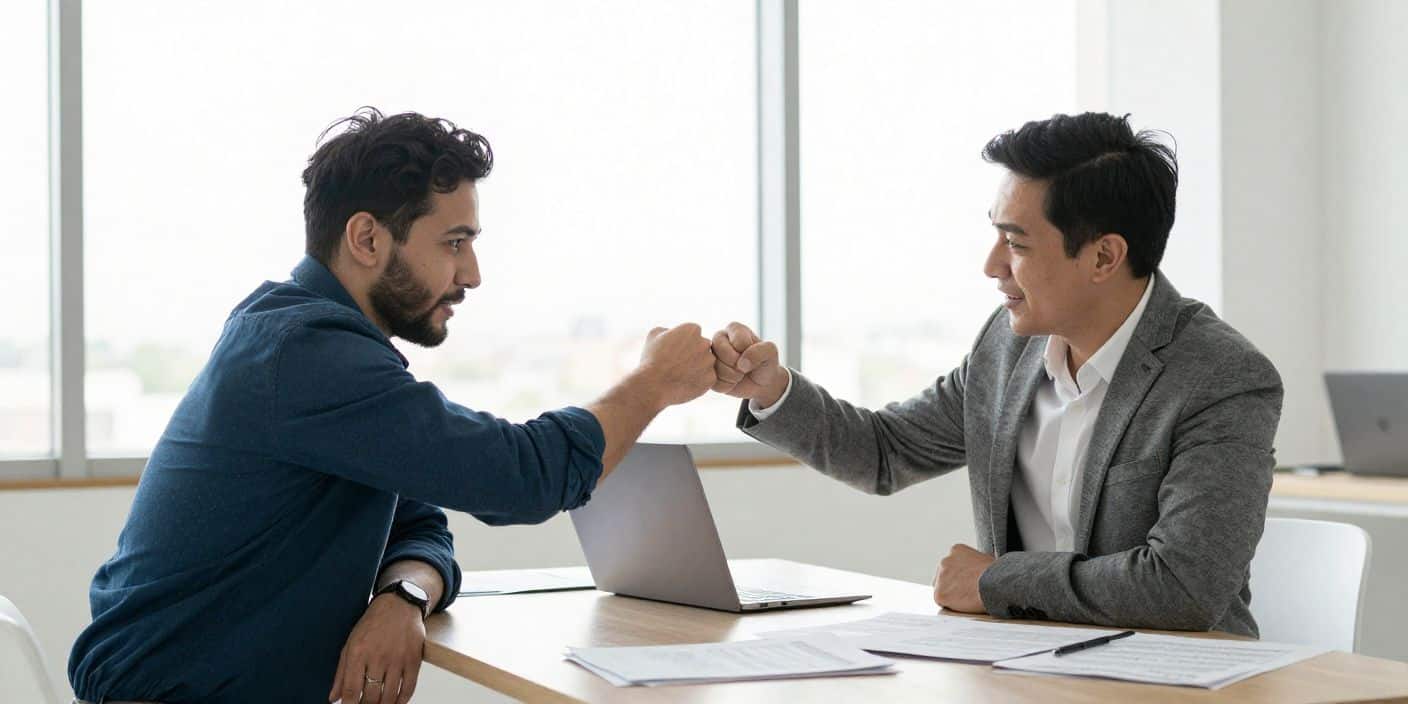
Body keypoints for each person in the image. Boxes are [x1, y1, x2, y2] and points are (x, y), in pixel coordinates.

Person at [68, 108, 718, 704]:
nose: (472, 274)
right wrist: (652, 383)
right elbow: (519, 480)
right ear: (367, 240)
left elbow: (417, 523)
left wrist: (402, 596)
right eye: (454, 243)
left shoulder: (313, 343)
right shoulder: (305, 355)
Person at [711, 112, 1282, 638]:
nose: (991, 265)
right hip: (1021, 674)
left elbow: (1182, 588)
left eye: (1015, 242)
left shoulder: (1221, 377)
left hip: (1174, 684)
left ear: (1104, 257)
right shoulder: (1006, 349)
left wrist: (994, 581)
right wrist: (774, 391)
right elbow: (885, 452)